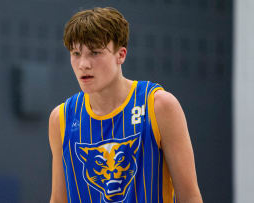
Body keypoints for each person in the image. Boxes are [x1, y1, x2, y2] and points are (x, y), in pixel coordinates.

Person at [48, 7, 202, 203]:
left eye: (95, 52)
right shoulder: (60, 118)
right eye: (76, 53)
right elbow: (58, 199)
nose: (83, 64)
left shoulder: (159, 106)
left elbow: (189, 197)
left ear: (121, 55)